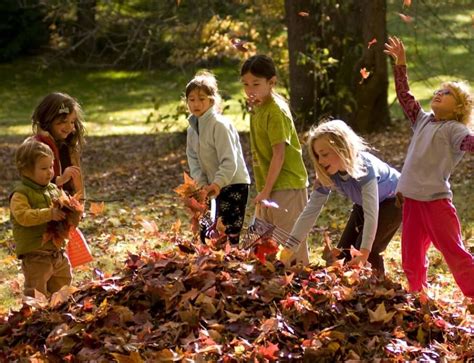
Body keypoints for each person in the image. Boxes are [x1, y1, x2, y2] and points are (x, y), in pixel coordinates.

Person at [384, 36, 474, 297]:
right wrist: (401, 64)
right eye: (438, 90)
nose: (438, 93)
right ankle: (418, 296)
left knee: (454, 253)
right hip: (412, 202)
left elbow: (469, 143)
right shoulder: (422, 120)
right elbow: (405, 97)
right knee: (410, 257)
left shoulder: (454, 129)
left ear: (458, 108)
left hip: (436, 204)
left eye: (446, 94)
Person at [284, 120, 401, 275]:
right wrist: (288, 249)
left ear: (342, 148)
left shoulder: (364, 168)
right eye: (317, 156)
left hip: (394, 202)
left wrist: (364, 254)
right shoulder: (328, 173)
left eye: (325, 154)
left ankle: (376, 287)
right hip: (363, 204)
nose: (320, 161)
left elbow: (372, 215)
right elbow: (309, 212)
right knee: (343, 255)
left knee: (365, 252)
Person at [240, 55, 309, 264]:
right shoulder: (258, 107)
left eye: (256, 84)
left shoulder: (276, 111)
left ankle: (301, 290)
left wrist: (267, 191)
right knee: (257, 247)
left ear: (272, 82)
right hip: (268, 187)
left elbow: (279, 154)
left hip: (287, 186)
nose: (250, 90)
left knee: (291, 250)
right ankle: (265, 291)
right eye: (245, 84)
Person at [185, 71, 251, 245]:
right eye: (191, 99)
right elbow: (192, 158)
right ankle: (209, 267)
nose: (196, 104)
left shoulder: (220, 125)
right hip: (208, 187)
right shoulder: (192, 128)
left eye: (201, 99)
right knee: (207, 232)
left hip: (232, 184)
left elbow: (230, 160)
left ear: (211, 100)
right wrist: (201, 183)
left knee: (228, 233)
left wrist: (218, 183)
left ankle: (232, 268)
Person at [10, 140, 72, 297]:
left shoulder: (53, 189)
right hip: (35, 253)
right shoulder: (21, 194)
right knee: (36, 292)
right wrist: (49, 213)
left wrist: (72, 211)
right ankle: (36, 318)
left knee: (63, 286)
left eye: (51, 166)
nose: (50, 172)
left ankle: (60, 314)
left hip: (57, 251)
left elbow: (63, 210)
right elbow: (23, 216)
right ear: (26, 171)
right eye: (44, 168)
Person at [28, 92, 86, 200]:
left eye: (72, 122)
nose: (69, 127)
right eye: (63, 121)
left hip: (68, 203)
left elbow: (78, 179)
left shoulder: (70, 146)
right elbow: (38, 182)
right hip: (43, 205)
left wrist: (80, 203)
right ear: (48, 119)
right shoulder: (38, 146)